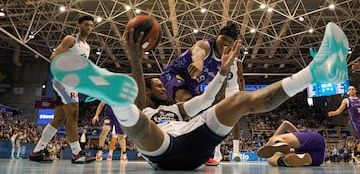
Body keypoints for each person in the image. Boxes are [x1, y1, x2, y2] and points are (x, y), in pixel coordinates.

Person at [50, 22, 348, 170]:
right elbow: (198, 51)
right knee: (139, 123)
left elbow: (205, 102)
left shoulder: (179, 109)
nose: (156, 86)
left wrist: (224, 73)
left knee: (240, 101)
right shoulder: (153, 110)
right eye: (154, 86)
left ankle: (316, 72)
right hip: (163, 150)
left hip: (195, 138)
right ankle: (115, 97)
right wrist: (136, 62)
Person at [29, 15, 96, 164]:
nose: (89, 28)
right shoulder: (71, 40)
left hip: (74, 84)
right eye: (86, 25)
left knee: (58, 119)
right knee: (73, 114)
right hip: (64, 81)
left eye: (91, 26)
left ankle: (37, 151)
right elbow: (54, 57)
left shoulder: (87, 47)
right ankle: (76, 153)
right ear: (79, 25)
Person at [160, 22, 239, 103]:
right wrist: (198, 63)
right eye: (223, 39)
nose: (225, 43)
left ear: (233, 44)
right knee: (186, 98)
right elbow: (199, 51)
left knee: (200, 108)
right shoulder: (205, 45)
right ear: (217, 37)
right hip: (173, 74)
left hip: (192, 88)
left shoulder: (227, 61)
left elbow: (223, 83)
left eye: (230, 42)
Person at [257, 120, 325, 167]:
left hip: (310, 140)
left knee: (272, 157)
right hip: (317, 157)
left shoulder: (298, 136)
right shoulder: (299, 138)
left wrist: (270, 141)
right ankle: (284, 159)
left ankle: (277, 142)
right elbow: (285, 124)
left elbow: (285, 124)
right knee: (273, 159)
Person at [328, 85, 360, 161]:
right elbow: (340, 110)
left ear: (355, 91)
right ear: (348, 92)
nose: (351, 90)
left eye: (353, 89)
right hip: (354, 121)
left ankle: (356, 153)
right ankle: (356, 153)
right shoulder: (346, 100)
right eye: (350, 89)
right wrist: (334, 113)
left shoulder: (359, 100)